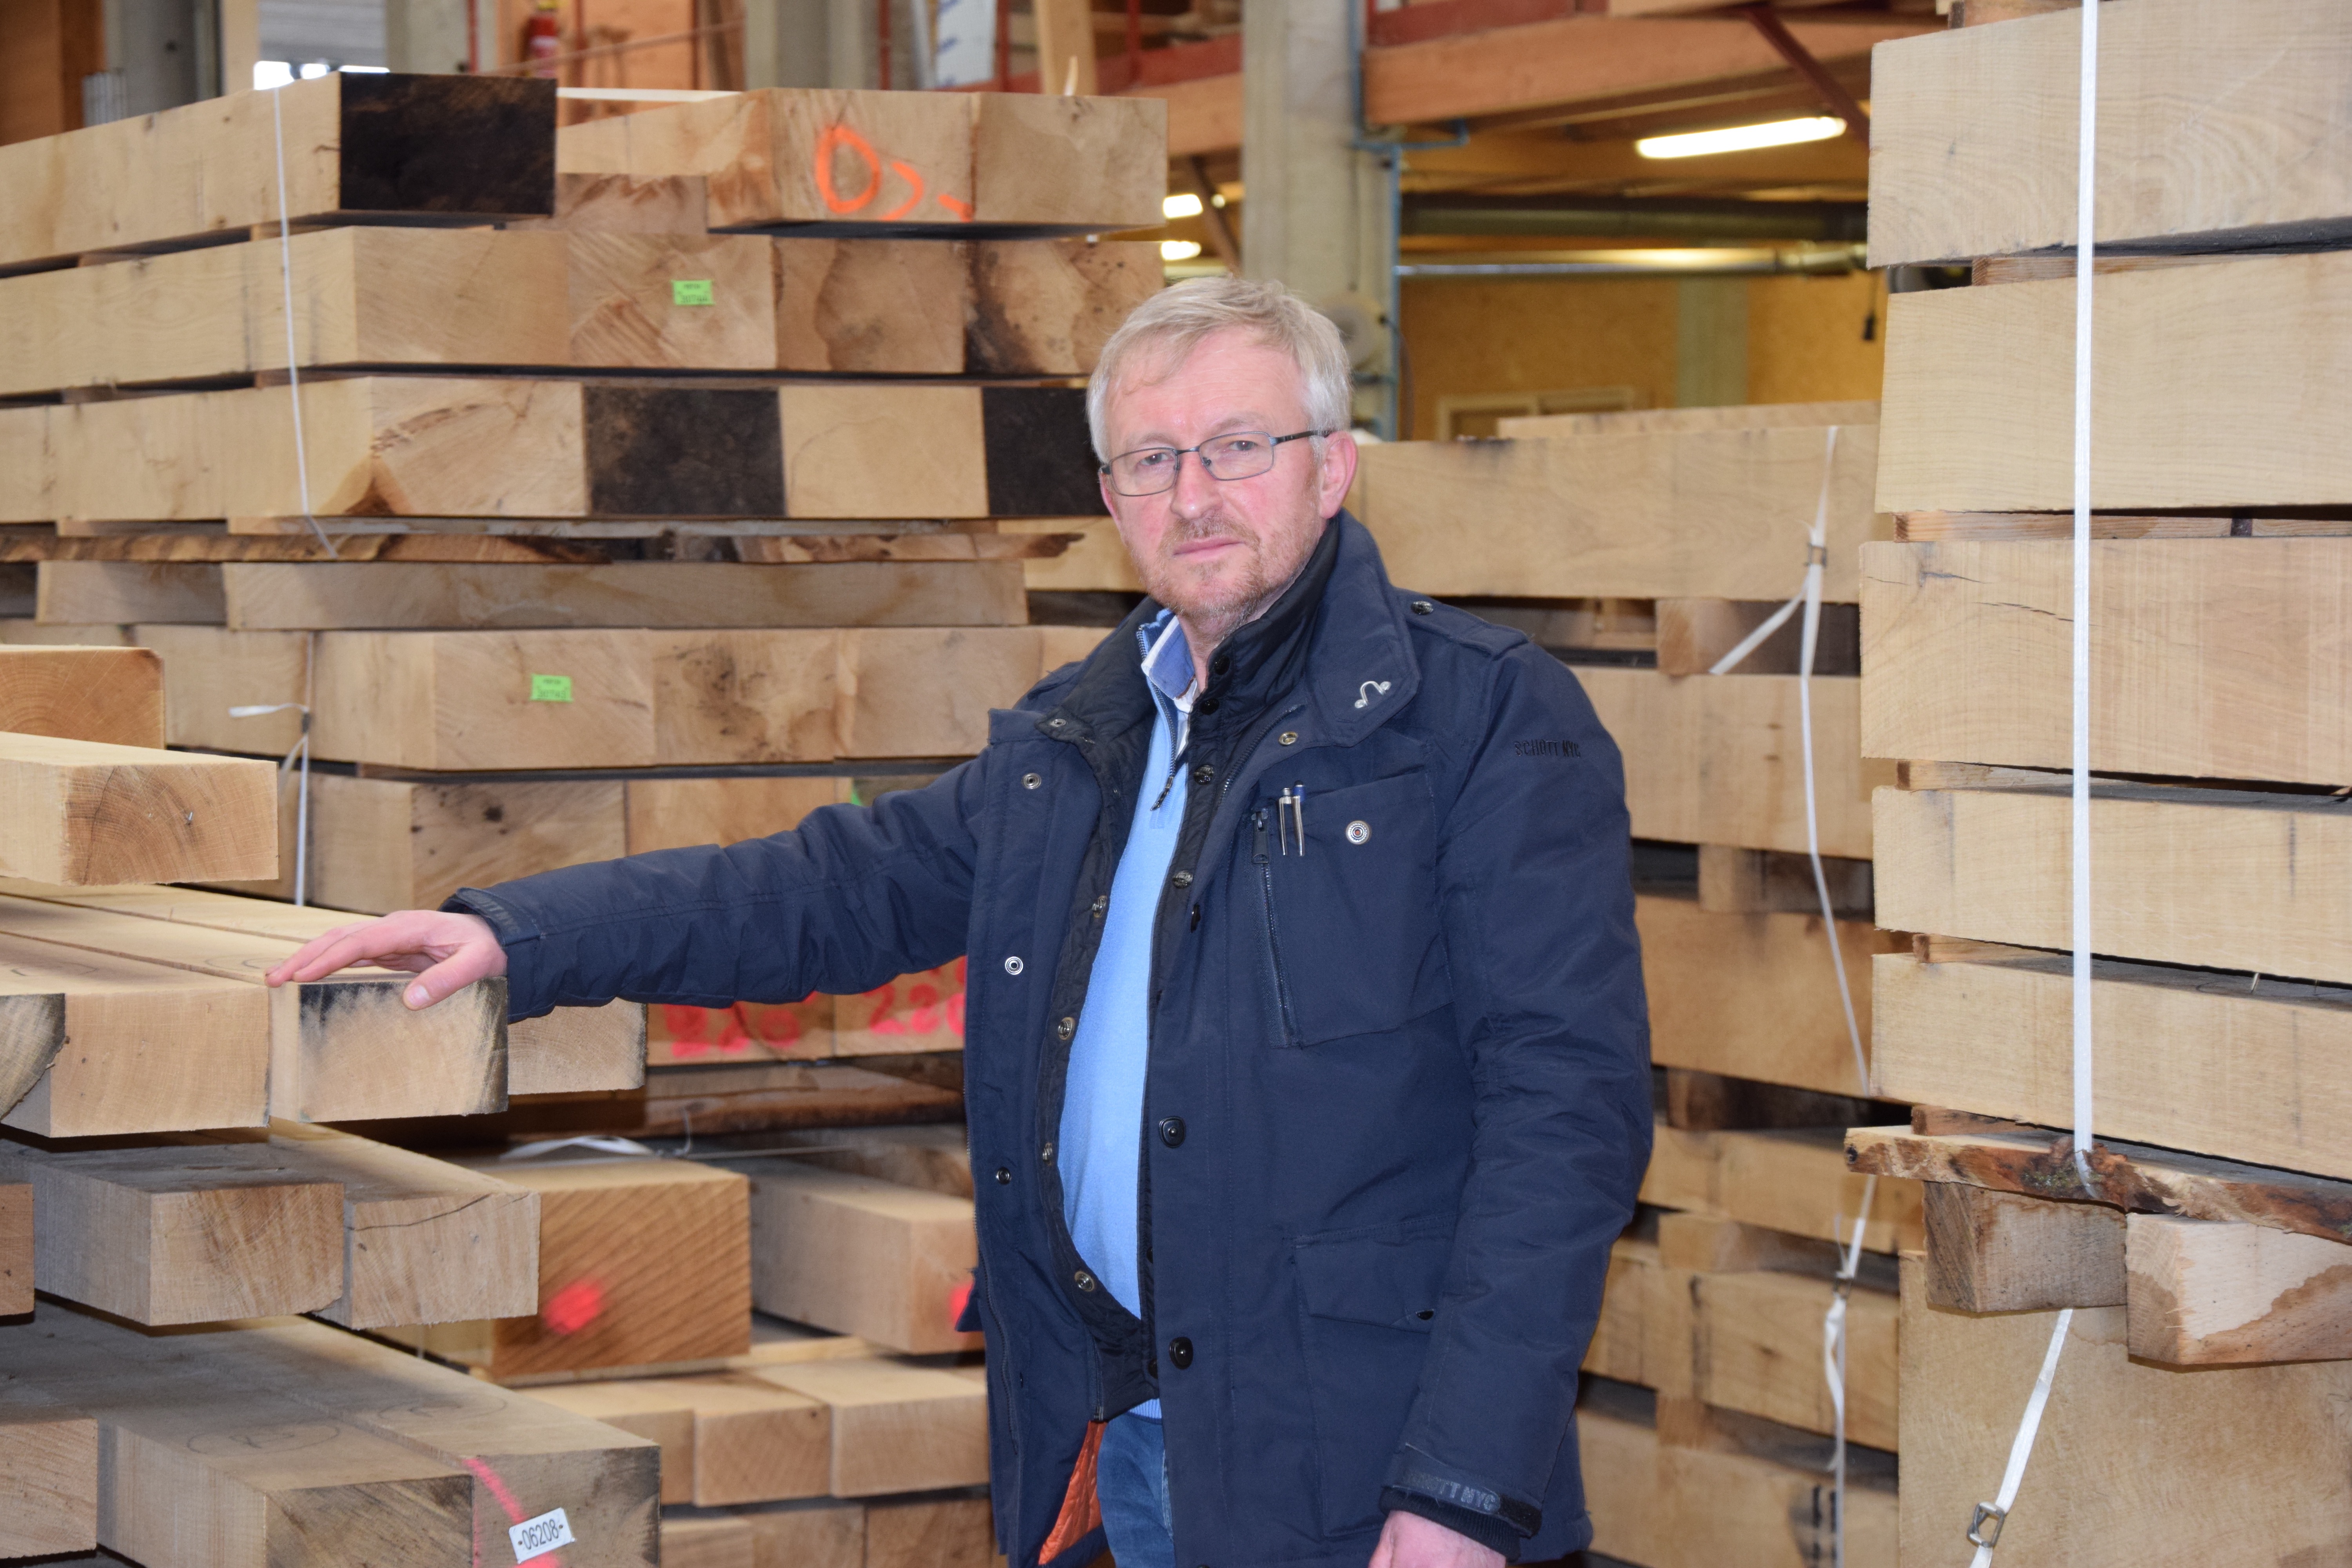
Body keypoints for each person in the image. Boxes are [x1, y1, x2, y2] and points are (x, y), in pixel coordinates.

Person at [266, 277, 1651, 1568]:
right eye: (1151, 461)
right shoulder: (1082, 741)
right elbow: (830, 889)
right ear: (1113, 497)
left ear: (1332, 465)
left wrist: (1462, 1488)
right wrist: (520, 932)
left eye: (1240, 446)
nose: (1196, 494)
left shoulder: (1480, 723)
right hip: (1115, 1440)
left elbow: (1565, 1119)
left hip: (1357, 1465)